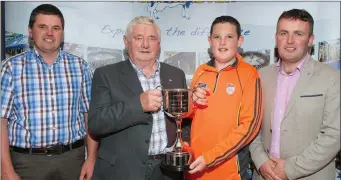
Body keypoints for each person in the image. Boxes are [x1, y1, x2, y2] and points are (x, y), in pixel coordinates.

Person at [0, 4, 98, 180]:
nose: (50, 33)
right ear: (30, 31)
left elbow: (89, 117)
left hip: (72, 161)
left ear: (62, 33)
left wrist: (91, 159)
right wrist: (6, 170)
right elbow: (1, 122)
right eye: (42, 27)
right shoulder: (11, 68)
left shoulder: (80, 67)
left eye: (56, 28)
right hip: (27, 163)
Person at [88, 16, 188, 180]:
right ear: (126, 42)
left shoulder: (176, 74)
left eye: (152, 38)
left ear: (158, 44)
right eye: (138, 38)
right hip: (122, 170)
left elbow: (184, 121)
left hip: (167, 171)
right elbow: (96, 123)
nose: (145, 45)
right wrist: (138, 105)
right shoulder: (106, 74)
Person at [249, 9, 340, 180]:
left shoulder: (332, 78)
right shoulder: (260, 76)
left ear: (311, 40)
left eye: (298, 33)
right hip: (264, 175)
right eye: (284, 33)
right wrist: (261, 162)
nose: (290, 41)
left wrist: (290, 169)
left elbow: (333, 135)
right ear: (276, 37)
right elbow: (252, 126)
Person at [184, 15, 264, 180]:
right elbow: (187, 117)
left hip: (229, 172)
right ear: (210, 40)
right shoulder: (201, 71)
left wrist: (211, 157)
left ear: (239, 40)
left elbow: (250, 126)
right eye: (217, 37)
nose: (222, 42)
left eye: (229, 37)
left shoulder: (249, 74)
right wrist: (190, 102)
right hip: (195, 168)